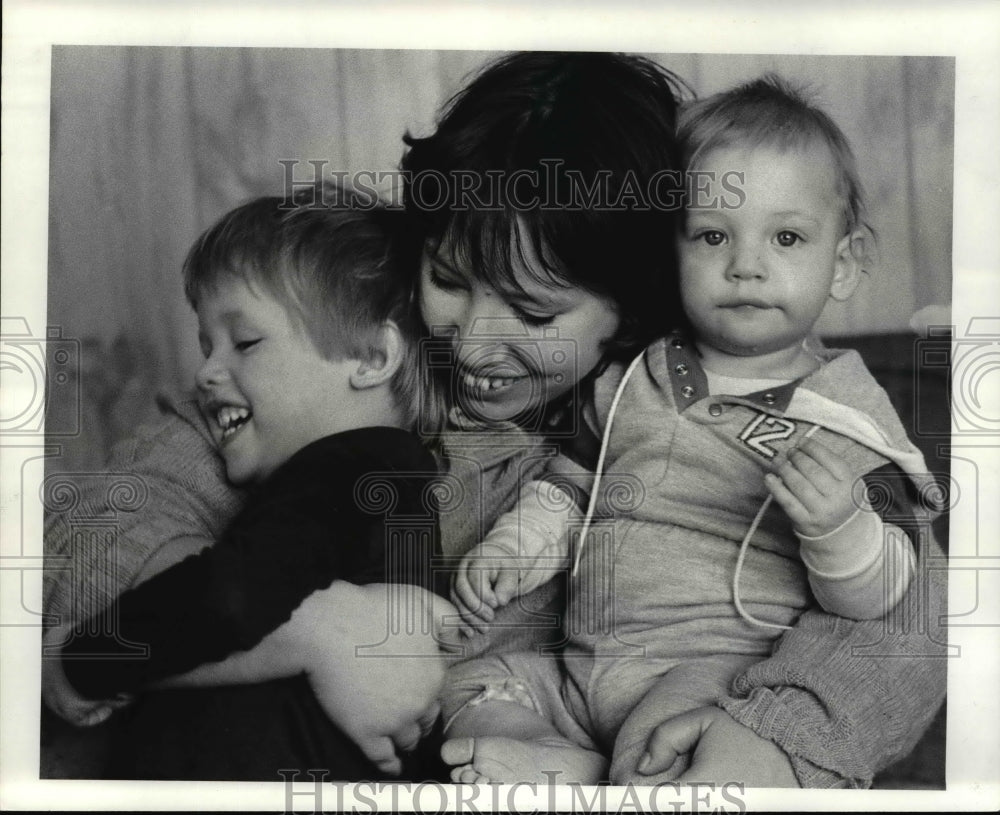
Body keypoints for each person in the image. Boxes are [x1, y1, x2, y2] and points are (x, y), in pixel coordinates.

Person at [42, 52, 946, 789]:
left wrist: (773, 743)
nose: (472, 341)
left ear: (633, 308)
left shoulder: (706, 397)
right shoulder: (352, 345)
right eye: (449, 279)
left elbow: (915, 604)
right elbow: (105, 524)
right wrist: (314, 628)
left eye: (537, 314)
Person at [439, 74, 944, 786]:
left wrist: (840, 530)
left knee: (671, 752)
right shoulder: (636, 376)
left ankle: (606, 779)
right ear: (670, 253)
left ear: (846, 262)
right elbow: (573, 483)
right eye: (712, 235)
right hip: (584, 667)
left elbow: (893, 599)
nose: (745, 264)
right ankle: (556, 757)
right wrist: (519, 544)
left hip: (708, 669)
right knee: (469, 685)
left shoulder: (844, 412)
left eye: (788, 237)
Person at [42, 187, 457, 779]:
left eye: (245, 342)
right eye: (207, 345)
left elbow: (230, 599)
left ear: (370, 356)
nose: (207, 373)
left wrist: (75, 664)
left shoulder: (346, 467)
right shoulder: (392, 477)